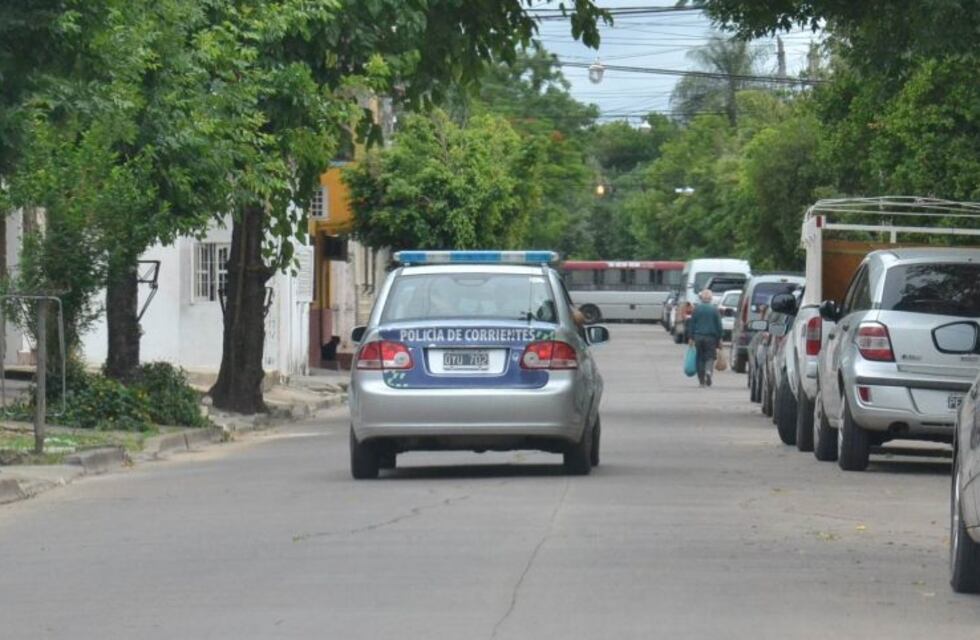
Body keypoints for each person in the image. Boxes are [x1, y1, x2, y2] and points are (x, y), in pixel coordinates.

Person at [687, 289, 723, 387]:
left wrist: (691, 337)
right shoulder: (714, 310)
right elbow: (719, 325)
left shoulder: (696, 309)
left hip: (698, 337)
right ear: (711, 298)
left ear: (701, 298)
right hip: (711, 338)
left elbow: (692, 324)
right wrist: (720, 338)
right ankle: (708, 371)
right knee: (710, 357)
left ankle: (701, 381)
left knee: (699, 358)